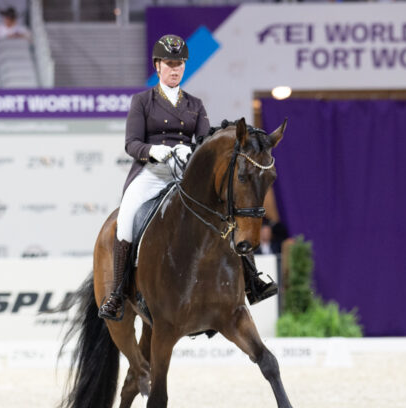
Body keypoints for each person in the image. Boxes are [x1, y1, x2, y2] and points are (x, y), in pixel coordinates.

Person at [98, 34, 276, 321]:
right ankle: (117, 293)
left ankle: (253, 281)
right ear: (157, 66)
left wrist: (190, 150)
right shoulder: (142, 101)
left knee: (227, 211)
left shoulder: (195, 104)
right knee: (126, 218)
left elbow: (205, 142)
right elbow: (131, 143)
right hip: (151, 173)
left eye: (179, 64)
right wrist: (155, 150)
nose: (175, 69)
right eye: (169, 63)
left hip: (184, 174)